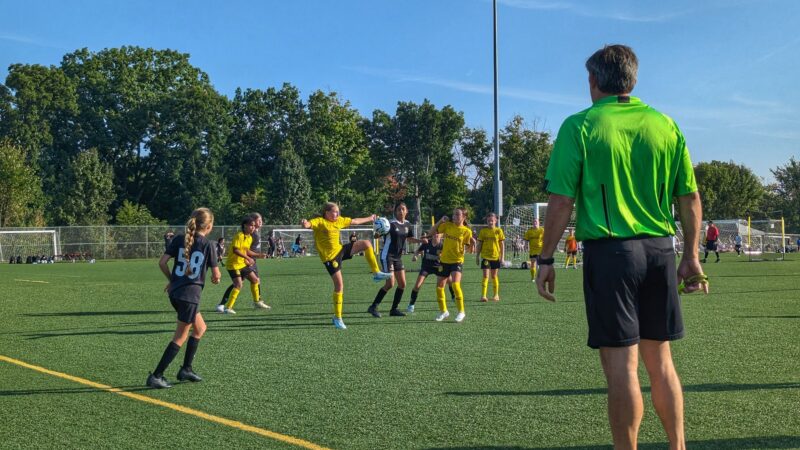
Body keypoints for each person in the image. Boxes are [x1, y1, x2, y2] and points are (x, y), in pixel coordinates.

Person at [535, 44, 708, 450]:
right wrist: (691, 256)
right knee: (661, 363)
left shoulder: (580, 125)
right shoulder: (665, 124)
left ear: (594, 80)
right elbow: (689, 198)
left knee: (621, 369)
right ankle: (678, 446)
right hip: (660, 250)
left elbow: (561, 201)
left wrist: (545, 258)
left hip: (612, 254)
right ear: (633, 79)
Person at [147, 207, 221, 389]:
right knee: (180, 336)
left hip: (176, 293)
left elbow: (162, 263)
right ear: (209, 226)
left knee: (200, 328)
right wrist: (216, 278)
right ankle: (156, 376)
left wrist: (172, 280)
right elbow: (216, 275)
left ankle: (186, 369)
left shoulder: (179, 239)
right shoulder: (208, 244)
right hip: (190, 296)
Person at [301, 202, 392, 329]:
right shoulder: (320, 221)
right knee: (339, 286)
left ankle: (376, 273)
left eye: (338, 212)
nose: (337, 214)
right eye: (334, 212)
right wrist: (305, 223)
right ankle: (337, 317)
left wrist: (370, 218)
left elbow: (355, 221)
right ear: (326, 213)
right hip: (330, 258)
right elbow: (309, 224)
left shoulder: (339, 220)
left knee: (366, 243)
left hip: (340, 250)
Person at [367, 203, 425, 318]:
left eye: (403, 209)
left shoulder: (407, 224)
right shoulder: (390, 224)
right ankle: (373, 307)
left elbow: (409, 239)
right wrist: (378, 232)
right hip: (387, 256)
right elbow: (377, 235)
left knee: (402, 284)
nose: (401, 211)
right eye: (398, 209)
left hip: (398, 258)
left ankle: (394, 309)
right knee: (390, 283)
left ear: (406, 211)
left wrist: (420, 241)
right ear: (395, 211)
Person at [429, 208, 475, 323]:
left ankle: (461, 312)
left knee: (455, 284)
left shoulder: (466, 231)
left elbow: (468, 247)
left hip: (457, 261)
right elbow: (432, 232)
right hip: (444, 260)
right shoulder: (447, 225)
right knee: (439, 287)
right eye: (454, 214)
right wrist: (440, 221)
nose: (454, 216)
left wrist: (471, 247)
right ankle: (443, 311)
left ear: (464, 217)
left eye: (457, 214)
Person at [215, 214, 267, 314]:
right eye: (251, 225)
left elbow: (246, 250)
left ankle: (257, 301)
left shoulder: (249, 237)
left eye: (253, 226)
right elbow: (236, 250)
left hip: (242, 264)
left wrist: (258, 255)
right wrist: (248, 258)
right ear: (245, 226)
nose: (253, 227)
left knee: (255, 280)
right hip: (233, 265)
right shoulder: (239, 236)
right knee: (238, 284)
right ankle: (228, 307)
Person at [406, 233, 455, 313]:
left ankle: (453, 296)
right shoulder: (426, 243)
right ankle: (411, 304)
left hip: (438, 267)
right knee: (417, 286)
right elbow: (418, 251)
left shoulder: (443, 245)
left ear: (441, 236)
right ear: (432, 235)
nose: (436, 235)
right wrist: (415, 256)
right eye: (435, 234)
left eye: (438, 234)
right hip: (426, 267)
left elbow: (449, 255)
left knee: (450, 281)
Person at [476, 212, 505, 302]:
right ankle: (483, 296)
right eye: (489, 221)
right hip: (485, 257)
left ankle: (496, 295)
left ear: (495, 221)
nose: (490, 222)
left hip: (495, 257)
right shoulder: (483, 231)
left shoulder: (498, 231)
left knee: (494, 276)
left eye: (492, 221)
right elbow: (479, 244)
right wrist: (477, 256)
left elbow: (502, 245)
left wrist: (502, 257)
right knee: (485, 276)